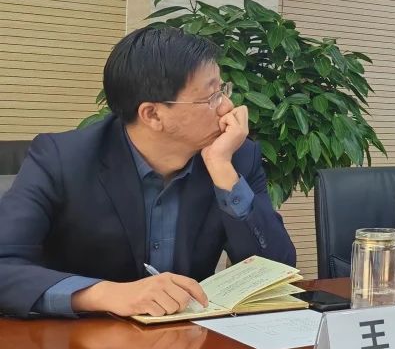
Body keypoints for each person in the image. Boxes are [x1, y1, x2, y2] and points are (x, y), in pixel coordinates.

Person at [0, 25, 296, 319]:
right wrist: (107, 294)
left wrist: (222, 169)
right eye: (211, 97)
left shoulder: (234, 155)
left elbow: (279, 269)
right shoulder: (62, 159)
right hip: (81, 338)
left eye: (223, 90)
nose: (227, 107)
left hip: (188, 339)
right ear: (152, 115)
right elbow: (5, 266)